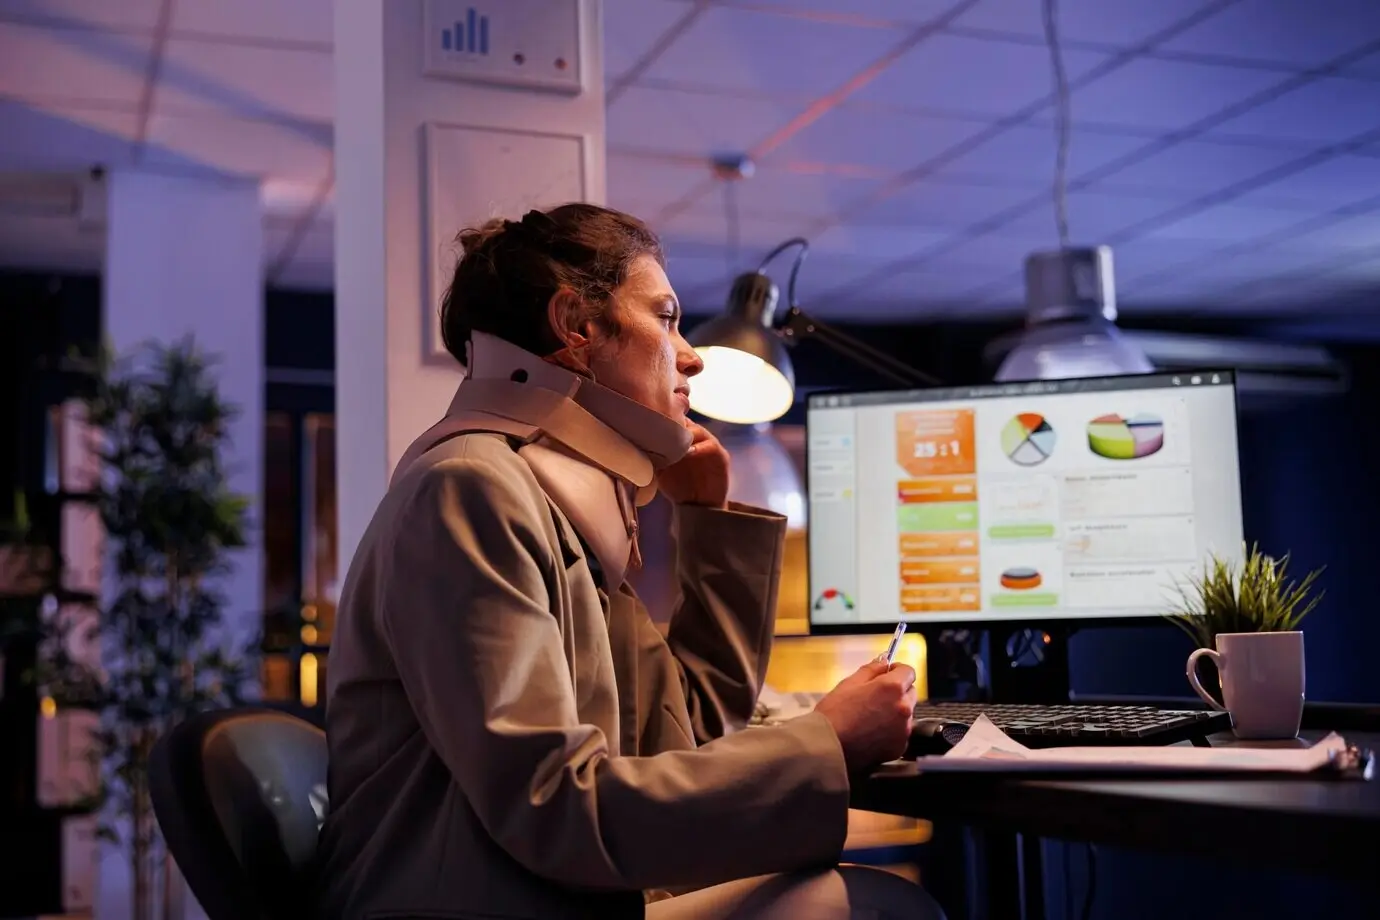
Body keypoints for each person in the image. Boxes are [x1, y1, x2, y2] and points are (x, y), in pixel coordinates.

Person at [314, 203, 945, 920]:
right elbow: (553, 807)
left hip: (543, 895)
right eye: (667, 316)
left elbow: (692, 725)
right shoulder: (471, 489)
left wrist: (708, 522)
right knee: (880, 908)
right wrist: (827, 739)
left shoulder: (547, 496)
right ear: (577, 327)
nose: (692, 355)